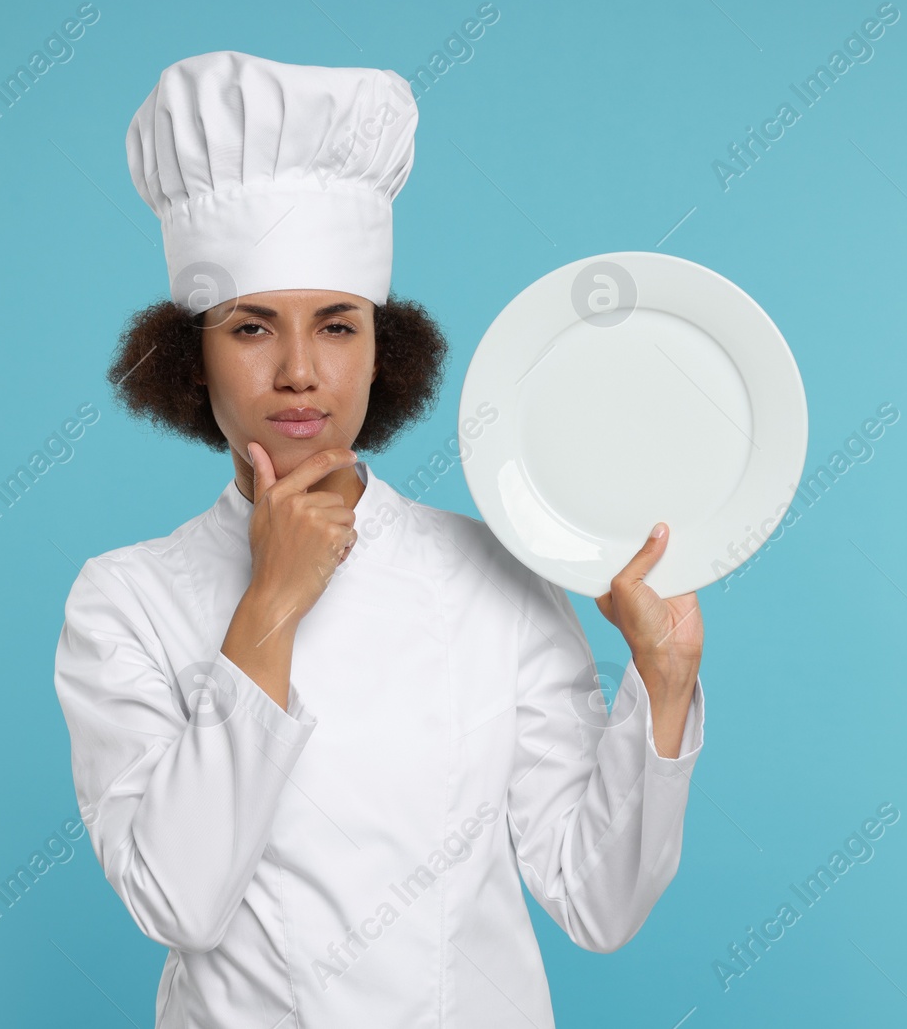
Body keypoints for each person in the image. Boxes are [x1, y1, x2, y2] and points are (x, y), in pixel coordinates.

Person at [54, 50, 706, 1029]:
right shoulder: (124, 598)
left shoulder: (492, 569)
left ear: (382, 347)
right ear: (188, 354)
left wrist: (659, 681)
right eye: (249, 328)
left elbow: (596, 899)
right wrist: (269, 605)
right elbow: (177, 898)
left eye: (337, 325)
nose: (300, 371)